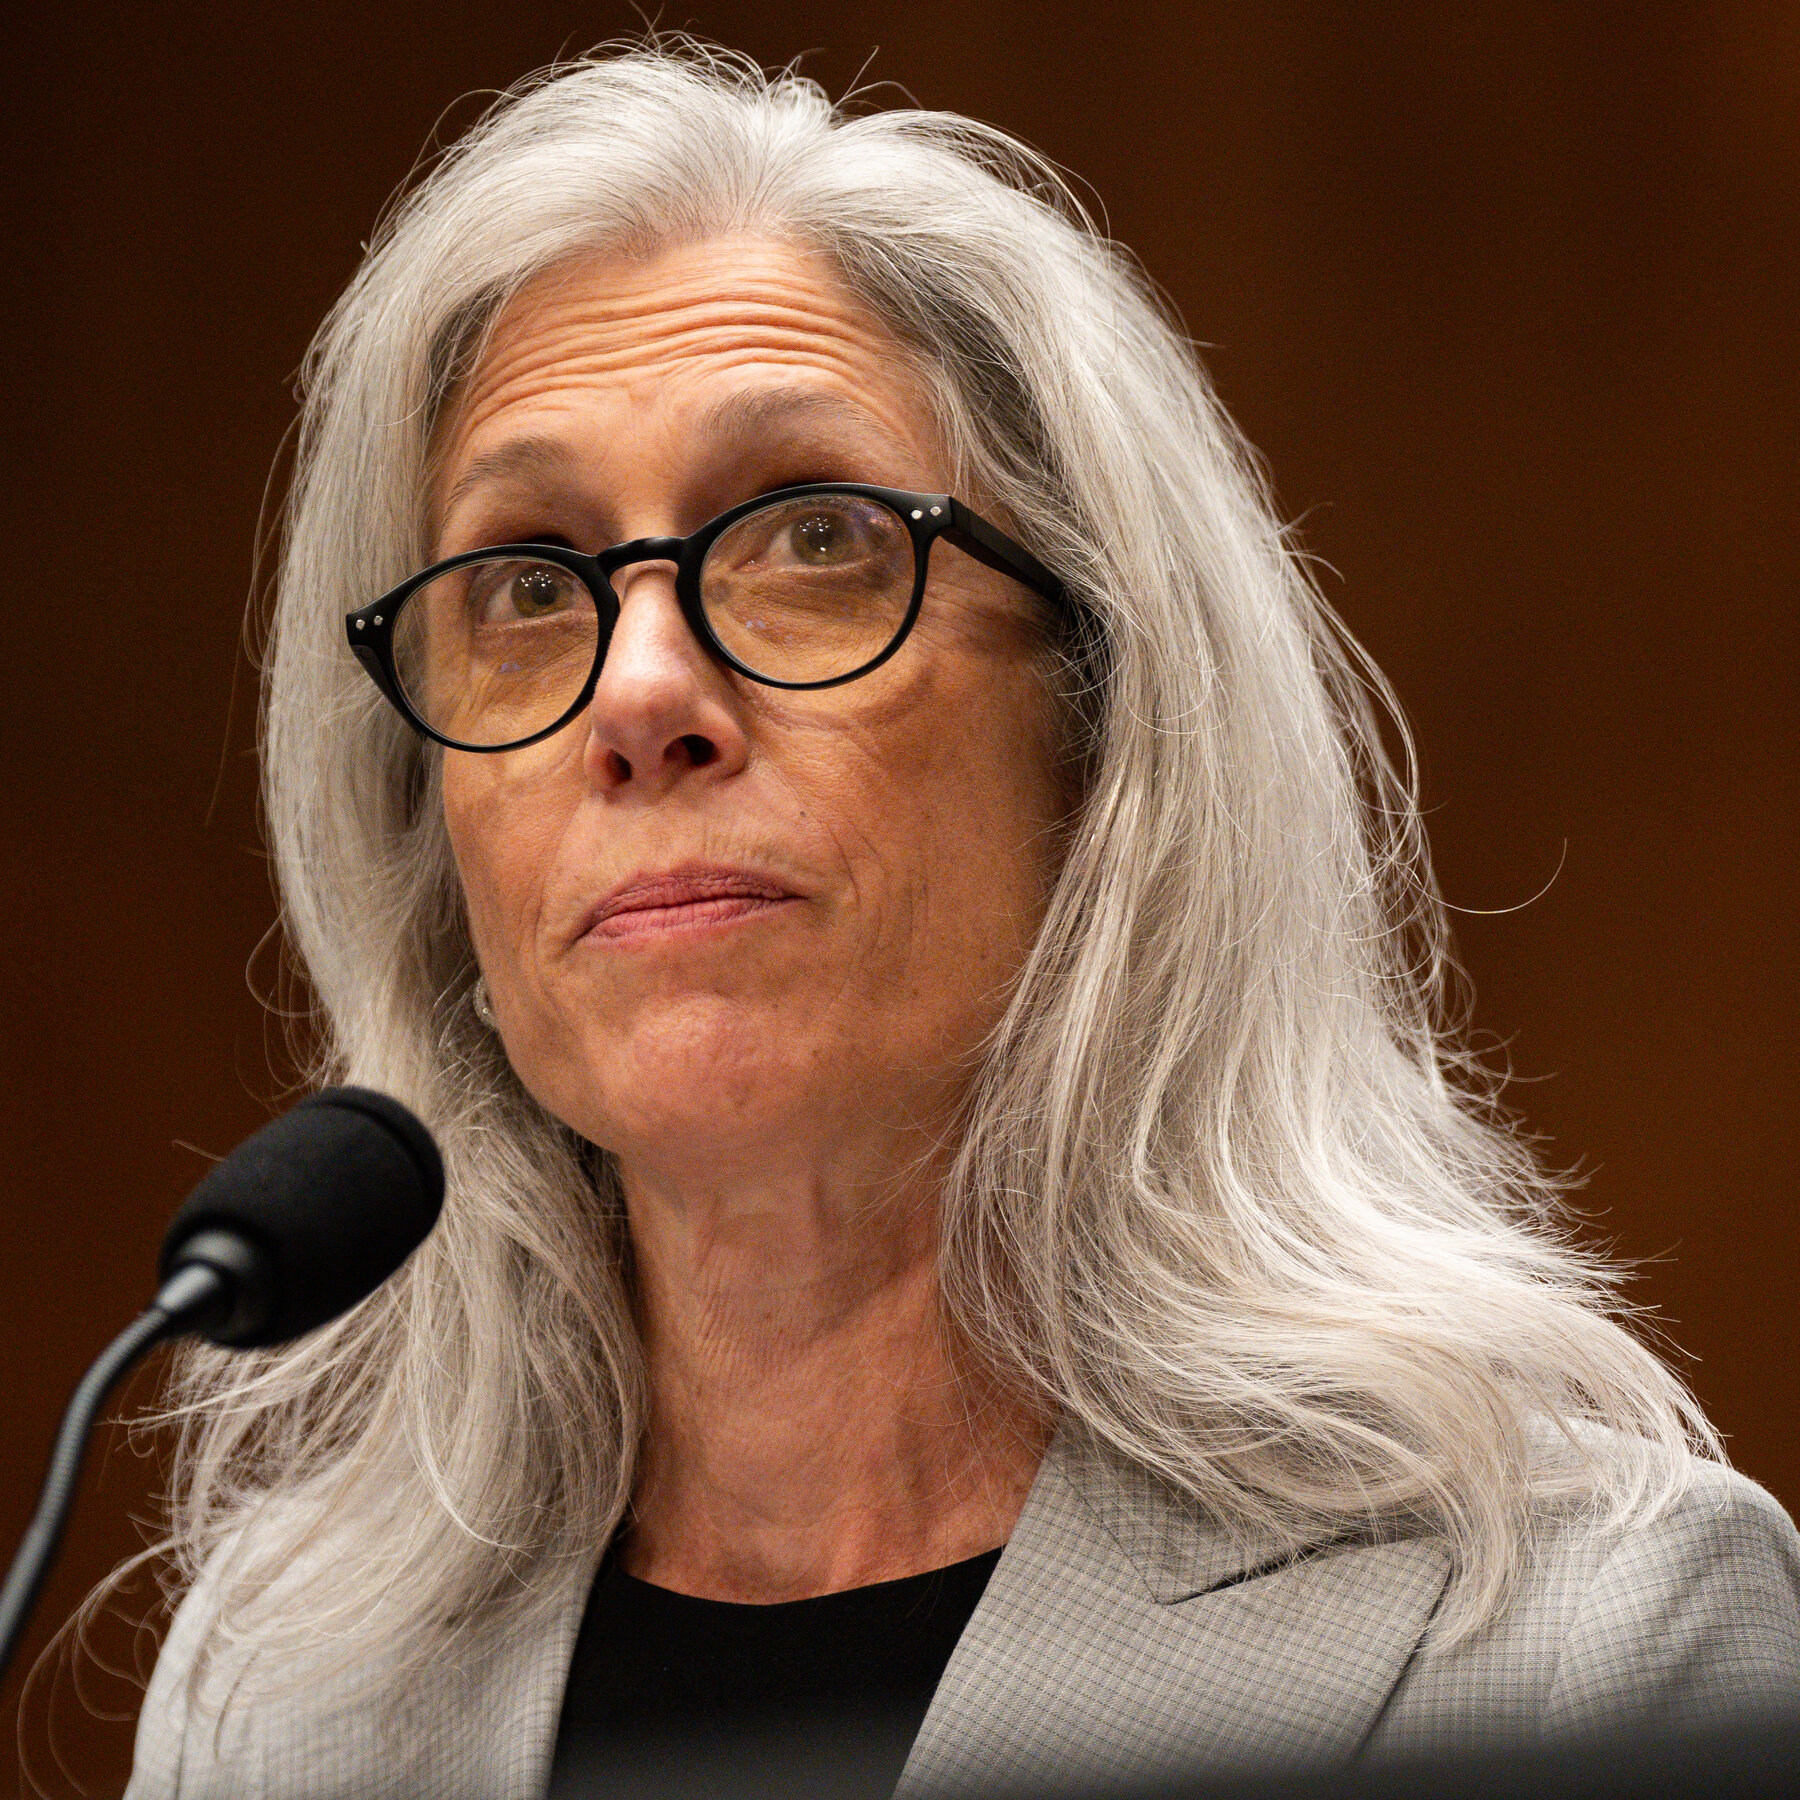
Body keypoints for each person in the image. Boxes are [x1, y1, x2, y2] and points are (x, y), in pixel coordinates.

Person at [126, 42, 1800, 1800]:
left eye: (813, 540)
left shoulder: (1574, 1636)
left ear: (1101, 728)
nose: (639, 693)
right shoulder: (285, 1699)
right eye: (530, 584)